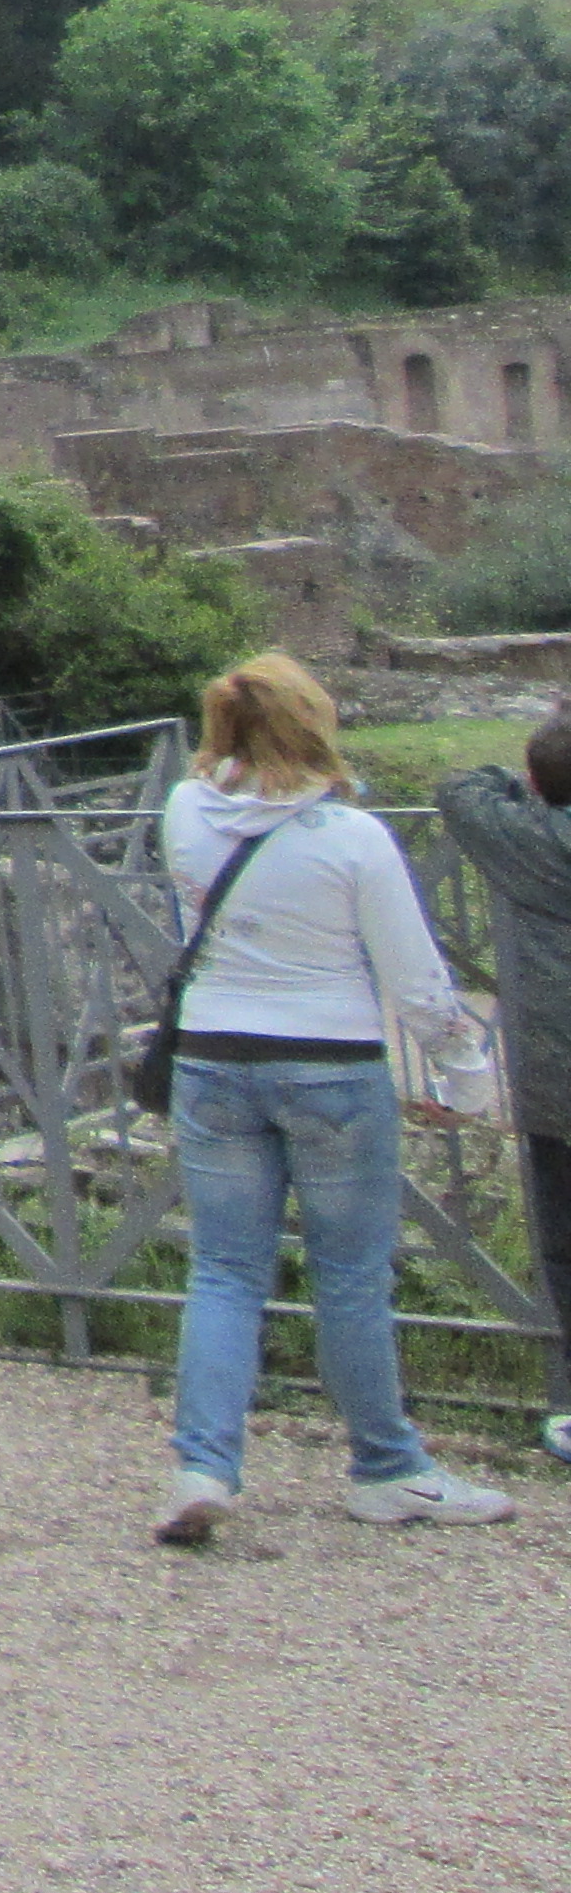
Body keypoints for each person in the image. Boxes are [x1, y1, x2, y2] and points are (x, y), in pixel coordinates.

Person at [153, 655, 507, 1541]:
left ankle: (202, 1466)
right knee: (349, 1277)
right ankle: (387, 1468)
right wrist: (464, 1071)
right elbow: (416, 981)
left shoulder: (185, 811)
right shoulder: (353, 838)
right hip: (330, 1060)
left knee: (224, 1271)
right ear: (313, 726)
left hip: (212, 1054)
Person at [435, 704, 571, 1467]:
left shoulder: (524, 839)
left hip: (555, 1085)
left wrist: (520, 788)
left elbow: (459, 789)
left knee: (566, 1248)